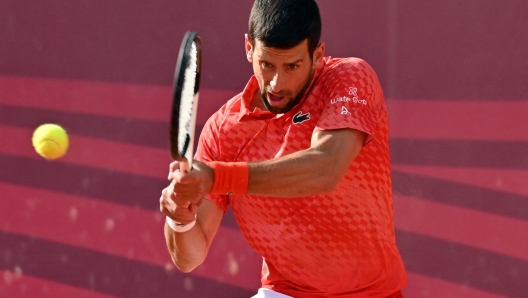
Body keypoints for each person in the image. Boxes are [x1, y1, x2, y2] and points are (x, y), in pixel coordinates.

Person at [159, 0, 407, 297]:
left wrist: (217, 177)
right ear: (249, 47)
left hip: (373, 293)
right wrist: (179, 218)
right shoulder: (223, 132)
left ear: (317, 55)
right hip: (285, 292)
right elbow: (190, 256)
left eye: (292, 66)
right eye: (267, 64)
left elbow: (325, 168)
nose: (277, 83)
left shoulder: (350, 78)